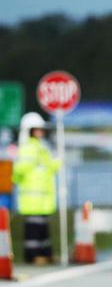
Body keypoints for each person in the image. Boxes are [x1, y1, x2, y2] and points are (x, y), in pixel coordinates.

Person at [12, 112, 61, 265]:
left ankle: (45, 253)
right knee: (33, 228)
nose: (41, 132)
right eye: (37, 129)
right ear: (29, 131)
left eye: (41, 129)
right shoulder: (29, 148)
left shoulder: (41, 147)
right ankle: (32, 255)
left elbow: (49, 167)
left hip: (43, 197)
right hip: (32, 197)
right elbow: (20, 169)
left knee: (42, 228)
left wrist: (59, 160)